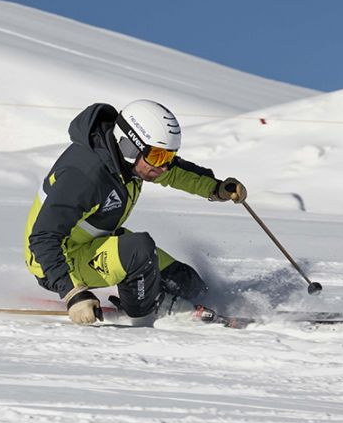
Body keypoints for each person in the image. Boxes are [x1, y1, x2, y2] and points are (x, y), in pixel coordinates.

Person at [23, 100, 247, 326]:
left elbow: (174, 172)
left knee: (187, 283)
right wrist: (72, 293)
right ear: (128, 145)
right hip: (56, 261)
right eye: (159, 157)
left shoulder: (130, 164)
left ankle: (156, 295)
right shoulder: (84, 176)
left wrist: (216, 188)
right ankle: (149, 308)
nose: (164, 167)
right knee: (139, 250)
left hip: (91, 243)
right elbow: (43, 238)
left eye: (168, 157)